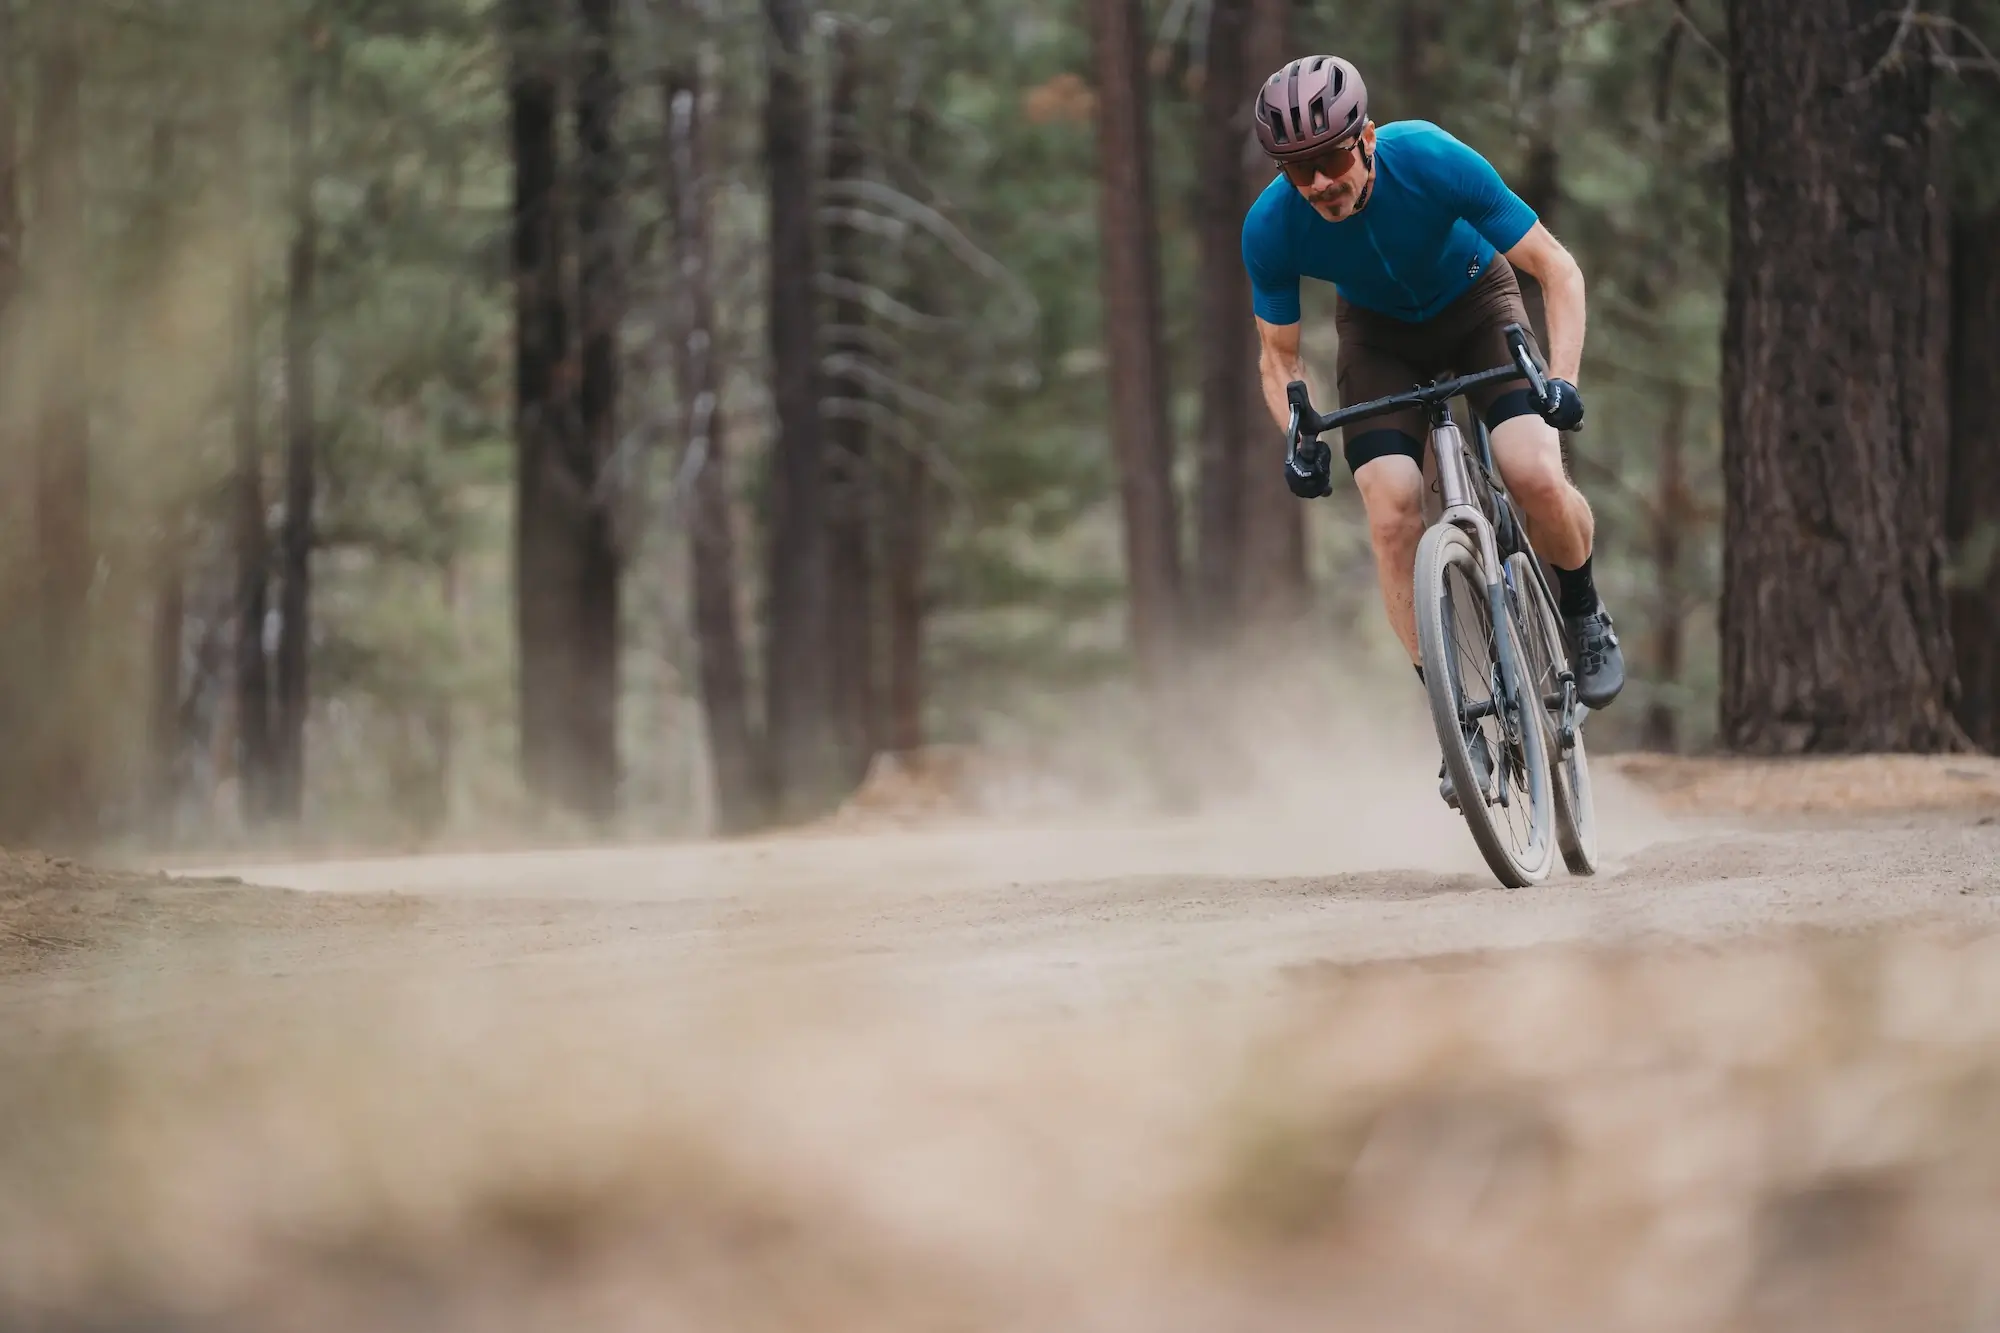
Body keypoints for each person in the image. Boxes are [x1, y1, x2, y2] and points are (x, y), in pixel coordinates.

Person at [1240, 53, 1625, 807]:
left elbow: (1558, 268)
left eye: (1328, 158)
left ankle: (1582, 610)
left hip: (1478, 303)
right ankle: (1458, 723)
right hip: (1378, 339)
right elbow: (1278, 357)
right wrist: (1298, 434)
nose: (1318, 183)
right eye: (1297, 169)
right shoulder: (1272, 226)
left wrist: (1564, 382)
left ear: (1368, 139)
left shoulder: (1431, 157)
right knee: (1389, 511)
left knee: (1535, 471)